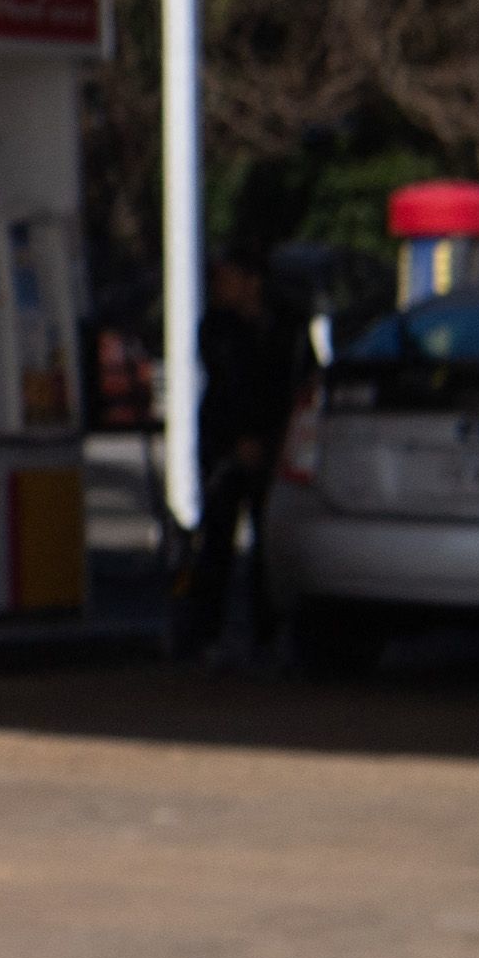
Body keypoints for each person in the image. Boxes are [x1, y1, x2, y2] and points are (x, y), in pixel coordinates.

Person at [179, 253, 296, 658]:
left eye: (228, 277)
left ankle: (268, 630)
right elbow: (228, 380)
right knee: (217, 539)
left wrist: (276, 437)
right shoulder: (217, 327)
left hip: (274, 443)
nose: (220, 287)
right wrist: (240, 440)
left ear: (252, 280)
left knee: (269, 542)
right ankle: (203, 632)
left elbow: (294, 378)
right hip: (226, 444)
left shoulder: (284, 324)